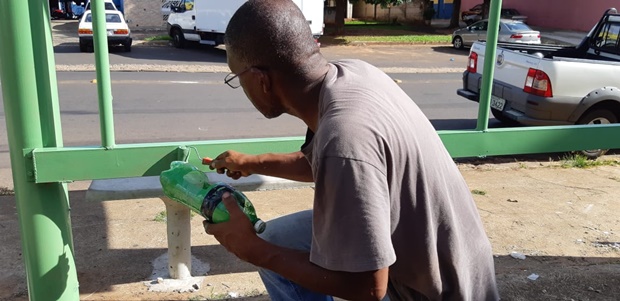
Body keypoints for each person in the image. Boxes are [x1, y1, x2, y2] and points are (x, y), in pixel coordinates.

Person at [203, 0, 499, 300]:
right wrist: (251, 162)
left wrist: (252, 250)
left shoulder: (344, 136)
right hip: (447, 264)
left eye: (236, 78)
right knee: (278, 239)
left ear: (261, 79)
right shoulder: (352, 75)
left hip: (433, 293)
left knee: (270, 249)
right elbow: (327, 163)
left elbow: (368, 288)